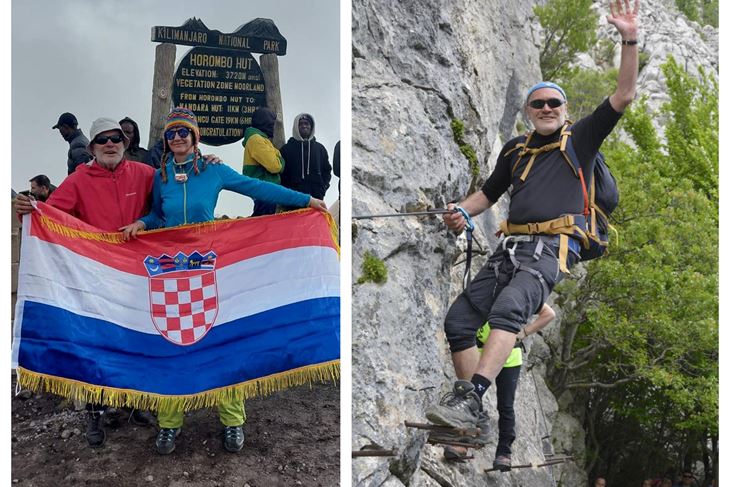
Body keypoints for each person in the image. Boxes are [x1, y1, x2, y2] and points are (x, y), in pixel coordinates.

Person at [424, 0, 640, 456]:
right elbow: (487, 194)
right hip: (510, 248)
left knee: (506, 313)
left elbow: (623, 95)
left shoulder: (580, 139)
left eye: (553, 102)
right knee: (459, 321)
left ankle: (469, 404)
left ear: (564, 109)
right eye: (537, 103)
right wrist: (460, 211)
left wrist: (628, 38)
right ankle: (470, 422)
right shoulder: (515, 150)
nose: (546, 108)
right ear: (527, 111)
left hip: (552, 248)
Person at [120, 107, 327, 455]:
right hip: (172, 273)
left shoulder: (213, 171)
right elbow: (158, 212)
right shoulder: (162, 176)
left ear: (195, 136)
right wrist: (142, 223)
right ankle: (169, 423)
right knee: (173, 345)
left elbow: (258, 187)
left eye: (184, 132)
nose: (178, 138)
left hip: (210, 268)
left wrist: (306, 200)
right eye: (172, 133)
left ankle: (233, 420)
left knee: (221, 342)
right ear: (166, 140)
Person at [16, 117, 157, 447]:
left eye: (115, 138)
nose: (110, 144)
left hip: (137, 276)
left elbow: (172, 195)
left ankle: (135, 405)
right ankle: (94, 412)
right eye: (102, 140)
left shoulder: (144, 173)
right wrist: (25, 209)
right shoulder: (79, 179)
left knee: (135, 340)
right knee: (97, 344)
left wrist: (204, 160)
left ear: (125, 142)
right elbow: (48, 215)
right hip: (95, 277)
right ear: (92, 147)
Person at [439, 304, 556, 470]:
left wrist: (524, 333)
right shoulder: (491, 287)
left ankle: (504, 452)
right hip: (479, 348)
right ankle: (463, 444)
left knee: (505, 404)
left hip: (509, 355)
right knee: (471, 398)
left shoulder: (520, 291)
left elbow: (549, 314)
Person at [280, 113, 332, 207]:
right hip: (292, 200)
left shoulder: (320, 149)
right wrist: (286, 190)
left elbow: (327, 171)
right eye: (301, 124)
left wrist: (322, 188)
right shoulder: (286, 149)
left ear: (311, 127)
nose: (304, 126)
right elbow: (281, 173)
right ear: (296, 127)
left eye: (307, 123)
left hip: (316, 200)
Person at [242, 107, 285, 216]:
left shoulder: (262, 139)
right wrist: (281, 161)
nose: (273, 126)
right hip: (263, 190)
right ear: (265, 121)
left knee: (264, 224)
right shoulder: (256, 139)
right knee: (262, 225)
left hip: (266, 189)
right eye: (272, 123)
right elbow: (275, 166)